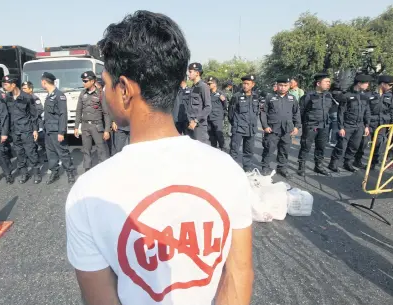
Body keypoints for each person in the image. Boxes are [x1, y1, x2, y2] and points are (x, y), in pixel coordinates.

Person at [65, 10, 254, 305]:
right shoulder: (227, 171)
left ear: (125, 89)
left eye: (105, 84)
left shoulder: (89, 194)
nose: (103, 93)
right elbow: (239, 274)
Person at [2, 75, 41, 184]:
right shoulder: (7, 97)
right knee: (19, 153)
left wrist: (35, 130)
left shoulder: (27, 97)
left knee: (31, 151)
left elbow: (34, 115)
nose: (4, 87)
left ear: (13, 84)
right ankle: (24, 173)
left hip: (26, 129)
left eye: (6, 84)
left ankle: (36, 173)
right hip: (14, 131)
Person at [329, 74, 372, 173]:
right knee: (341, 146)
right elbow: (341, 112)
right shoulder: (346, 96)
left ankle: (347, 163)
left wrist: (366, 126)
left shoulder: (365, 97)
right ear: (359, 83)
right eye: (366, 83)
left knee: (354, 146)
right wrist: (341, 127)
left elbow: (367, 112)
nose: (367, 85)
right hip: (347, 125)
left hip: (359, 126)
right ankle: (333, 163)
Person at [260, 76, 301, 178]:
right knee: (269, 149)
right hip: (272, 129)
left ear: (289, 86)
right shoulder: (270, 97)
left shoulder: (292, 98)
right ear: (277, 86)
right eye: (280, 85)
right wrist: (265, 126)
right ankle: (265, 167)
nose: (282, 88)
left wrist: (297, 126)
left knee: (284, 150)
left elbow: (296, 113)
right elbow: (263, 112)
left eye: (285, 85)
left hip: (287, 130)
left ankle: (282, 168)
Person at [353, 75, 393, 169]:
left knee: (378, 144)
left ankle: (373, 163)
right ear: (382, 84)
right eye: (389, 85)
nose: (391, 87)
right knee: (364, 142)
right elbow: (365, 109)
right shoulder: (370, 94)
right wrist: (365, 123)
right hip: (370, 123)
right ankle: (357, 160)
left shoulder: (389, 96)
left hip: (382, 124)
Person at [296, 73, 334, 176]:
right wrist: (301, 126)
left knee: (321, 147)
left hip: (324, 126)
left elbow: (329, 111)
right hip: (311, 126)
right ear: (318, 83)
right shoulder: (308, 96)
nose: (329, 84)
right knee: (305, 147)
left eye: (329, 82)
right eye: (326, 82)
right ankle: (301, 167)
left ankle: (318, 166)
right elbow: (301, 112)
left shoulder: (328, 95)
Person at [42, 72, 75, 184]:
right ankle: (54, 173)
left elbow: (63, 114)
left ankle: (70, 172)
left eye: (42, 81)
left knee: (62, 152)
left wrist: (61, 131)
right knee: (51, 153)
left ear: (44, 82)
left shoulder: (59, 95)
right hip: (48, 130)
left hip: (56, 130)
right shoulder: (48, 95)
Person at [74, 71, 111, 171]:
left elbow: (106, 113)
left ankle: (103, 170)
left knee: (101, 149)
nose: (83, 83)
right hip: (85, 127)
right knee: (86, 150)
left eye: (85, 81)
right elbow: (78, 111)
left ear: (92, 81)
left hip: (97, 126)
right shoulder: (82, 94)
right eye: (83, 81)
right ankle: (87, 170)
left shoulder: (100, 94)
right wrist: (76, 127)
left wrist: (107, 130)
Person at [229, 75, 261, 172]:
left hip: (251, 128)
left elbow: (257, 112)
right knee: (234, 150)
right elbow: (231, 113)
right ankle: (231, 170)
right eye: (244, 83)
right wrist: (235, 123)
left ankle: (247, 169)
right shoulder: (236, 96)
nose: (245, 86)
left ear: (253, 84)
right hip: (238, 128)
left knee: (249, 151)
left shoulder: (256, 96)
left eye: (247, 84)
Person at [185, 62, 211, 144]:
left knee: (202, 152)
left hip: (199, 125)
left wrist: (196, 121)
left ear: (197, 73)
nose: (188, 74)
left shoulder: (203, 86)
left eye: (190, 72)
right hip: (190, 124)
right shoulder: (193, 87)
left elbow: (208, 107)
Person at [22, 81, 47, 163]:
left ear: (30, 89)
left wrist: (31, 114)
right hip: (27, 124)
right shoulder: (22, 98)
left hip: (36, 123)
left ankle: (46, 154)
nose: (23, 90)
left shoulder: (34, 98)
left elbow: (40, 110)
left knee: (40, 140)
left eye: (25, 88)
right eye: (22, 88)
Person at [206, 76, 227, 150]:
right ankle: (213, 149)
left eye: (210, 84)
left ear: (215, 84)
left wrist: (222, 116)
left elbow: (225, 106)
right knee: (211, 135)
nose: (208, 85)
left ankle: (222, 148)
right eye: (208, 84)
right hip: (209, 117)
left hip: (217, 117)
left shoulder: (220, 93)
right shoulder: (207, 93)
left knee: (219, 134)